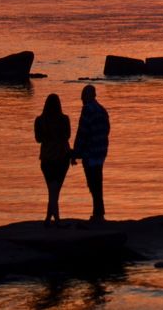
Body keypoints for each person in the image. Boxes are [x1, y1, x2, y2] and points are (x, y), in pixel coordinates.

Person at [72, 84, 110, 221]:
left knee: (93, 183)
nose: (82, 100)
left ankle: (98, 213)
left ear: (86, 96)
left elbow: (82, 132)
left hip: (90, 152)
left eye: (82, 97)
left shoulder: (87, 109)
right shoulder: (102, 110)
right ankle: (99, 212)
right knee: (97, 182)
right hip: (101, 151)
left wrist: (76, 153)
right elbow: (107, 130)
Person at [34, 93, 71, 227]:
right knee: (55, 190)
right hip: (62, 158)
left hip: (46, 158)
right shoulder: (64, 119)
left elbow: (38, 139)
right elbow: (68, 136)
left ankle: (50, 217)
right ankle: (55, 218)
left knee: (52, 189)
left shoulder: (39, 120)